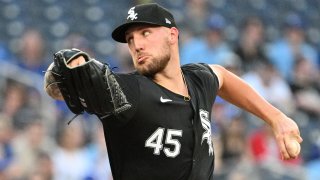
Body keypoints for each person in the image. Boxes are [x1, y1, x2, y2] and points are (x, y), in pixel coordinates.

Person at [57, 3, 302, 180]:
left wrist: (276, 118)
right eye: (130, 39)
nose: (136, 45)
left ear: (172, 35)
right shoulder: (130, 91)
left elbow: (223, 77)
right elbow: (86, 83)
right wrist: (69, 71)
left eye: (145, 33)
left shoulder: (198, 80)